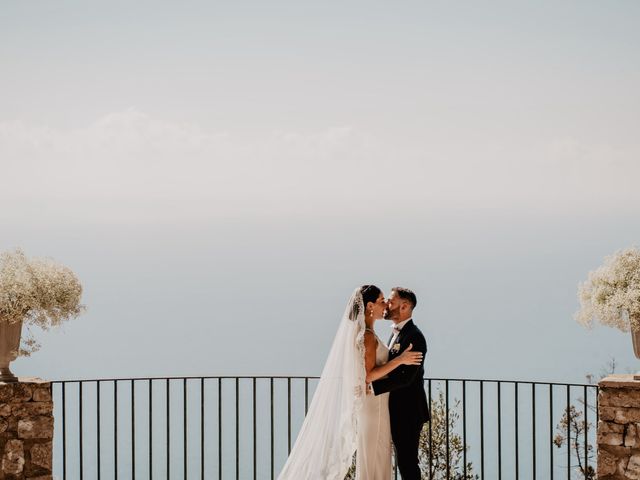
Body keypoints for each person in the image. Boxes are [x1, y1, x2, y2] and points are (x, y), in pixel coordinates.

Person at [277, 285, 422, 479]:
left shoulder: (370, 334)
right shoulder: (368, 336)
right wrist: (400, 360)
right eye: (381, 301)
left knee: (375, 458)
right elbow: (368, 375)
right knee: (375, 459)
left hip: (377, 404)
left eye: (388, 301)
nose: (385, 304)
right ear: (369, 306)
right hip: (375, 407)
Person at [370, 287, 430, 480]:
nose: (387, 304)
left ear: (404, 306)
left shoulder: (415, 337)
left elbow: (406, 378)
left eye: (391, 301)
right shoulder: (397, 333)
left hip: (409, 411)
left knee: (407, 462)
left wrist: (373, 386)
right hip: (397, 409)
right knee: (404, 461)